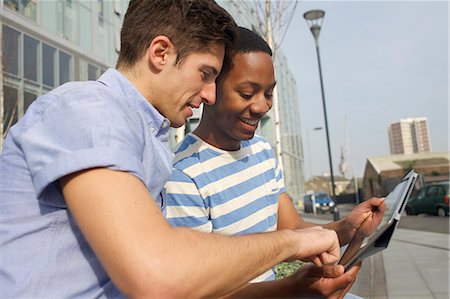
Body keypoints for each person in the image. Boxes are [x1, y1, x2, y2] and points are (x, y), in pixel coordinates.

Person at [0, 1, 343, 298]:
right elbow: (155, 274)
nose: (210, 94)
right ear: (160, 53)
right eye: (206, 73)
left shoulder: (148, 137)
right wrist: (291, 243)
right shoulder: (88, 111)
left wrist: (294, 286)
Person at [165, 27, 386, 297]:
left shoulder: (262, 151)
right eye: (247, 94)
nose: (261, 106)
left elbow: (292, 229)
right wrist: (293, 290)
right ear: (210, 88)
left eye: (268, 93)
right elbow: (199, 291)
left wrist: (346, 229)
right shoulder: (183, 176)